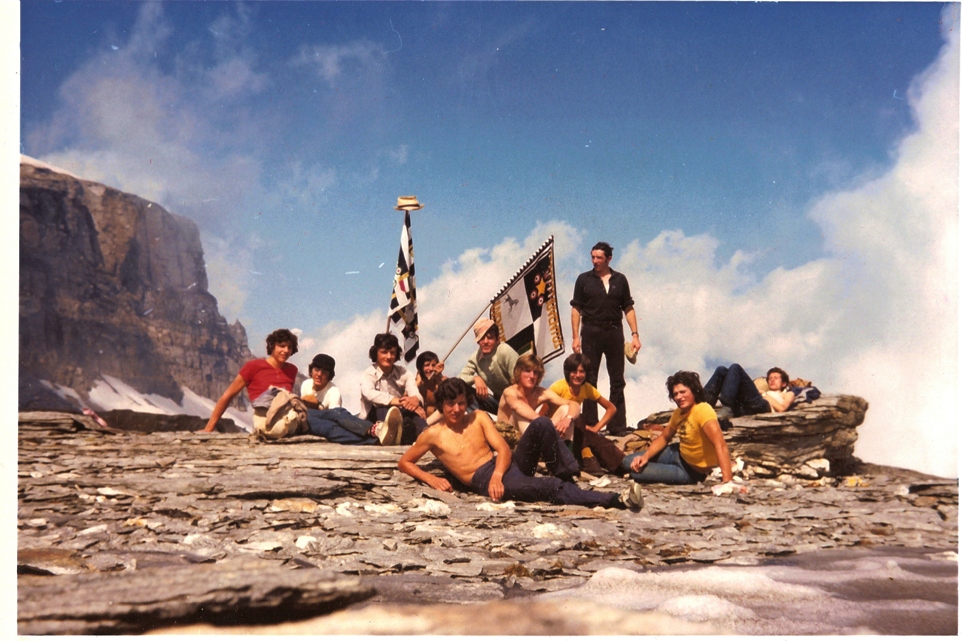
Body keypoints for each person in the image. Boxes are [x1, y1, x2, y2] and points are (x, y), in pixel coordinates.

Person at [398, 378, 643, 510]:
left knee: (542, 424)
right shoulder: (432, 434)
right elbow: (405, 462)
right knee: (550, 487)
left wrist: (498, 474)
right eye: (450, 404)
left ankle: (567, 477)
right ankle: (616, 500)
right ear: (441, 405)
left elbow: (503, 448)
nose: (456, 409)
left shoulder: (478, 417)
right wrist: (431, 479)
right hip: (484, 479)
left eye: (461, 403)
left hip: (503, 466)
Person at [570, 241, 641, 436]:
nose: (595, 261)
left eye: (599, 258)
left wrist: (635, 335)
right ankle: (590, 424)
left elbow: (628, 307)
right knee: (588, 378)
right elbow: (576, 309)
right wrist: (575, 337)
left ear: (609, 259)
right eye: (593, 257)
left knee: (617, 379)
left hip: (614, 331)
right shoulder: (583, 279)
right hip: (591, 331)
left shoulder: (620, 279)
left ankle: (617, 426)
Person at [623, 371, 733, 485]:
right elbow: (664, 437)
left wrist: (727, 481)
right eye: (675, 394)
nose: (679, 397)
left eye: (683, 392)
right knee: (627, 461)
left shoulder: (703, 410)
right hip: (677, 453)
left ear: (694, 391)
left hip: (689, 471)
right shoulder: (678, 413)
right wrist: (645, 457)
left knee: (636, 473)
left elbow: (720, 445)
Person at [201, 329, 299, 433]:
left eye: (290, 347)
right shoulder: (253, 367)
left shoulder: (292, 370)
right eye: (282, 346)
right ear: (272, 346)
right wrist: (209, 428)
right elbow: (228, 395)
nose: (286, 350)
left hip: (287, 417)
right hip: (265, 421)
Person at [549, 353, 626, 475]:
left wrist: (596, 428)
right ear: (568, 372)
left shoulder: (586, 388)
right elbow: (542, 415)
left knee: (596, 438)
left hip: (574, 431)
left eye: (582, 371)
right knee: (579, 417)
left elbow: (611, 408)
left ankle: (623, 465)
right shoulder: (558, 387)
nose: (578, 375)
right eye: (574, 371)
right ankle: (588, 459)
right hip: (557, 431)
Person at [300, 353, 400, 446]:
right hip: (304, 421)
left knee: (336, 414)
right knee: (330, 426)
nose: (319, 374)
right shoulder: (306, 385)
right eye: (316, 370)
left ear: (329, 375)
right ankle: (376, 435)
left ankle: (377, 432)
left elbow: (335, 418)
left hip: (318, 421)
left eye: (324, 372)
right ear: (311, 370)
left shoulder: (334, 392)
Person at [360, 332, 427, 445]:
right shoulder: (369, 374)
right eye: (384, 352)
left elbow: (414, 391)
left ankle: (425, 435)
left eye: (392, 352)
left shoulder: (404, 372)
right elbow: (369, 393)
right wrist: (399, 401)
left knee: (415, 411)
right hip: (374, 416)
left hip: (399, 412)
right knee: (384, 409)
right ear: (376, 353)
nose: (389, 356)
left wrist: (415, 400)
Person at [497, 354, 578, 441]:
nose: (532, 376)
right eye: (527, 371)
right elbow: (517, 406)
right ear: (519, 372)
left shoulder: (541, 393)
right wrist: (545, 424)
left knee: (565, 409)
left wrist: (567, 419)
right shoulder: (510, 391)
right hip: (507, 438)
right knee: (519, 413)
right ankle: (543, 443)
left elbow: (573, 404)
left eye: (535, 372)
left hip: (532, 435)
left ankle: (566, 447)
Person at [458, 319, 519, 414]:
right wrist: (475, 378)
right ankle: (480, 419)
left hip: (519, 399)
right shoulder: (475, 357)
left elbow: (521, 382)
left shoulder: (505, 351)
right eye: (482, 338)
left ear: (497, 339)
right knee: (462, 389)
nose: (485, 342)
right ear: (478, 341)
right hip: (499, 404)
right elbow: (459, 379)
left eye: (490, 338)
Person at [702, 364, 796, 417]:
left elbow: (782, 408)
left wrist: (764, 394)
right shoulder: (765, 391)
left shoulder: (788, 394)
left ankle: (727, 406)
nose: (772, 380)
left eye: (775, 378)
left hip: (764, 407)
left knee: (735, 367)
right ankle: (703, 405)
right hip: (747, 406)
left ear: (784, 383)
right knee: (721, 370)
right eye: (770, 378)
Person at [415, 351, 446, 417]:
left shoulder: (444, 380)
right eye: (427, 365)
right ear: (420, 368)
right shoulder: (413, 382)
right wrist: (417, 384)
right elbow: (404, 399)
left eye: (433, 365)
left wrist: (438, 379)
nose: (431, 368)